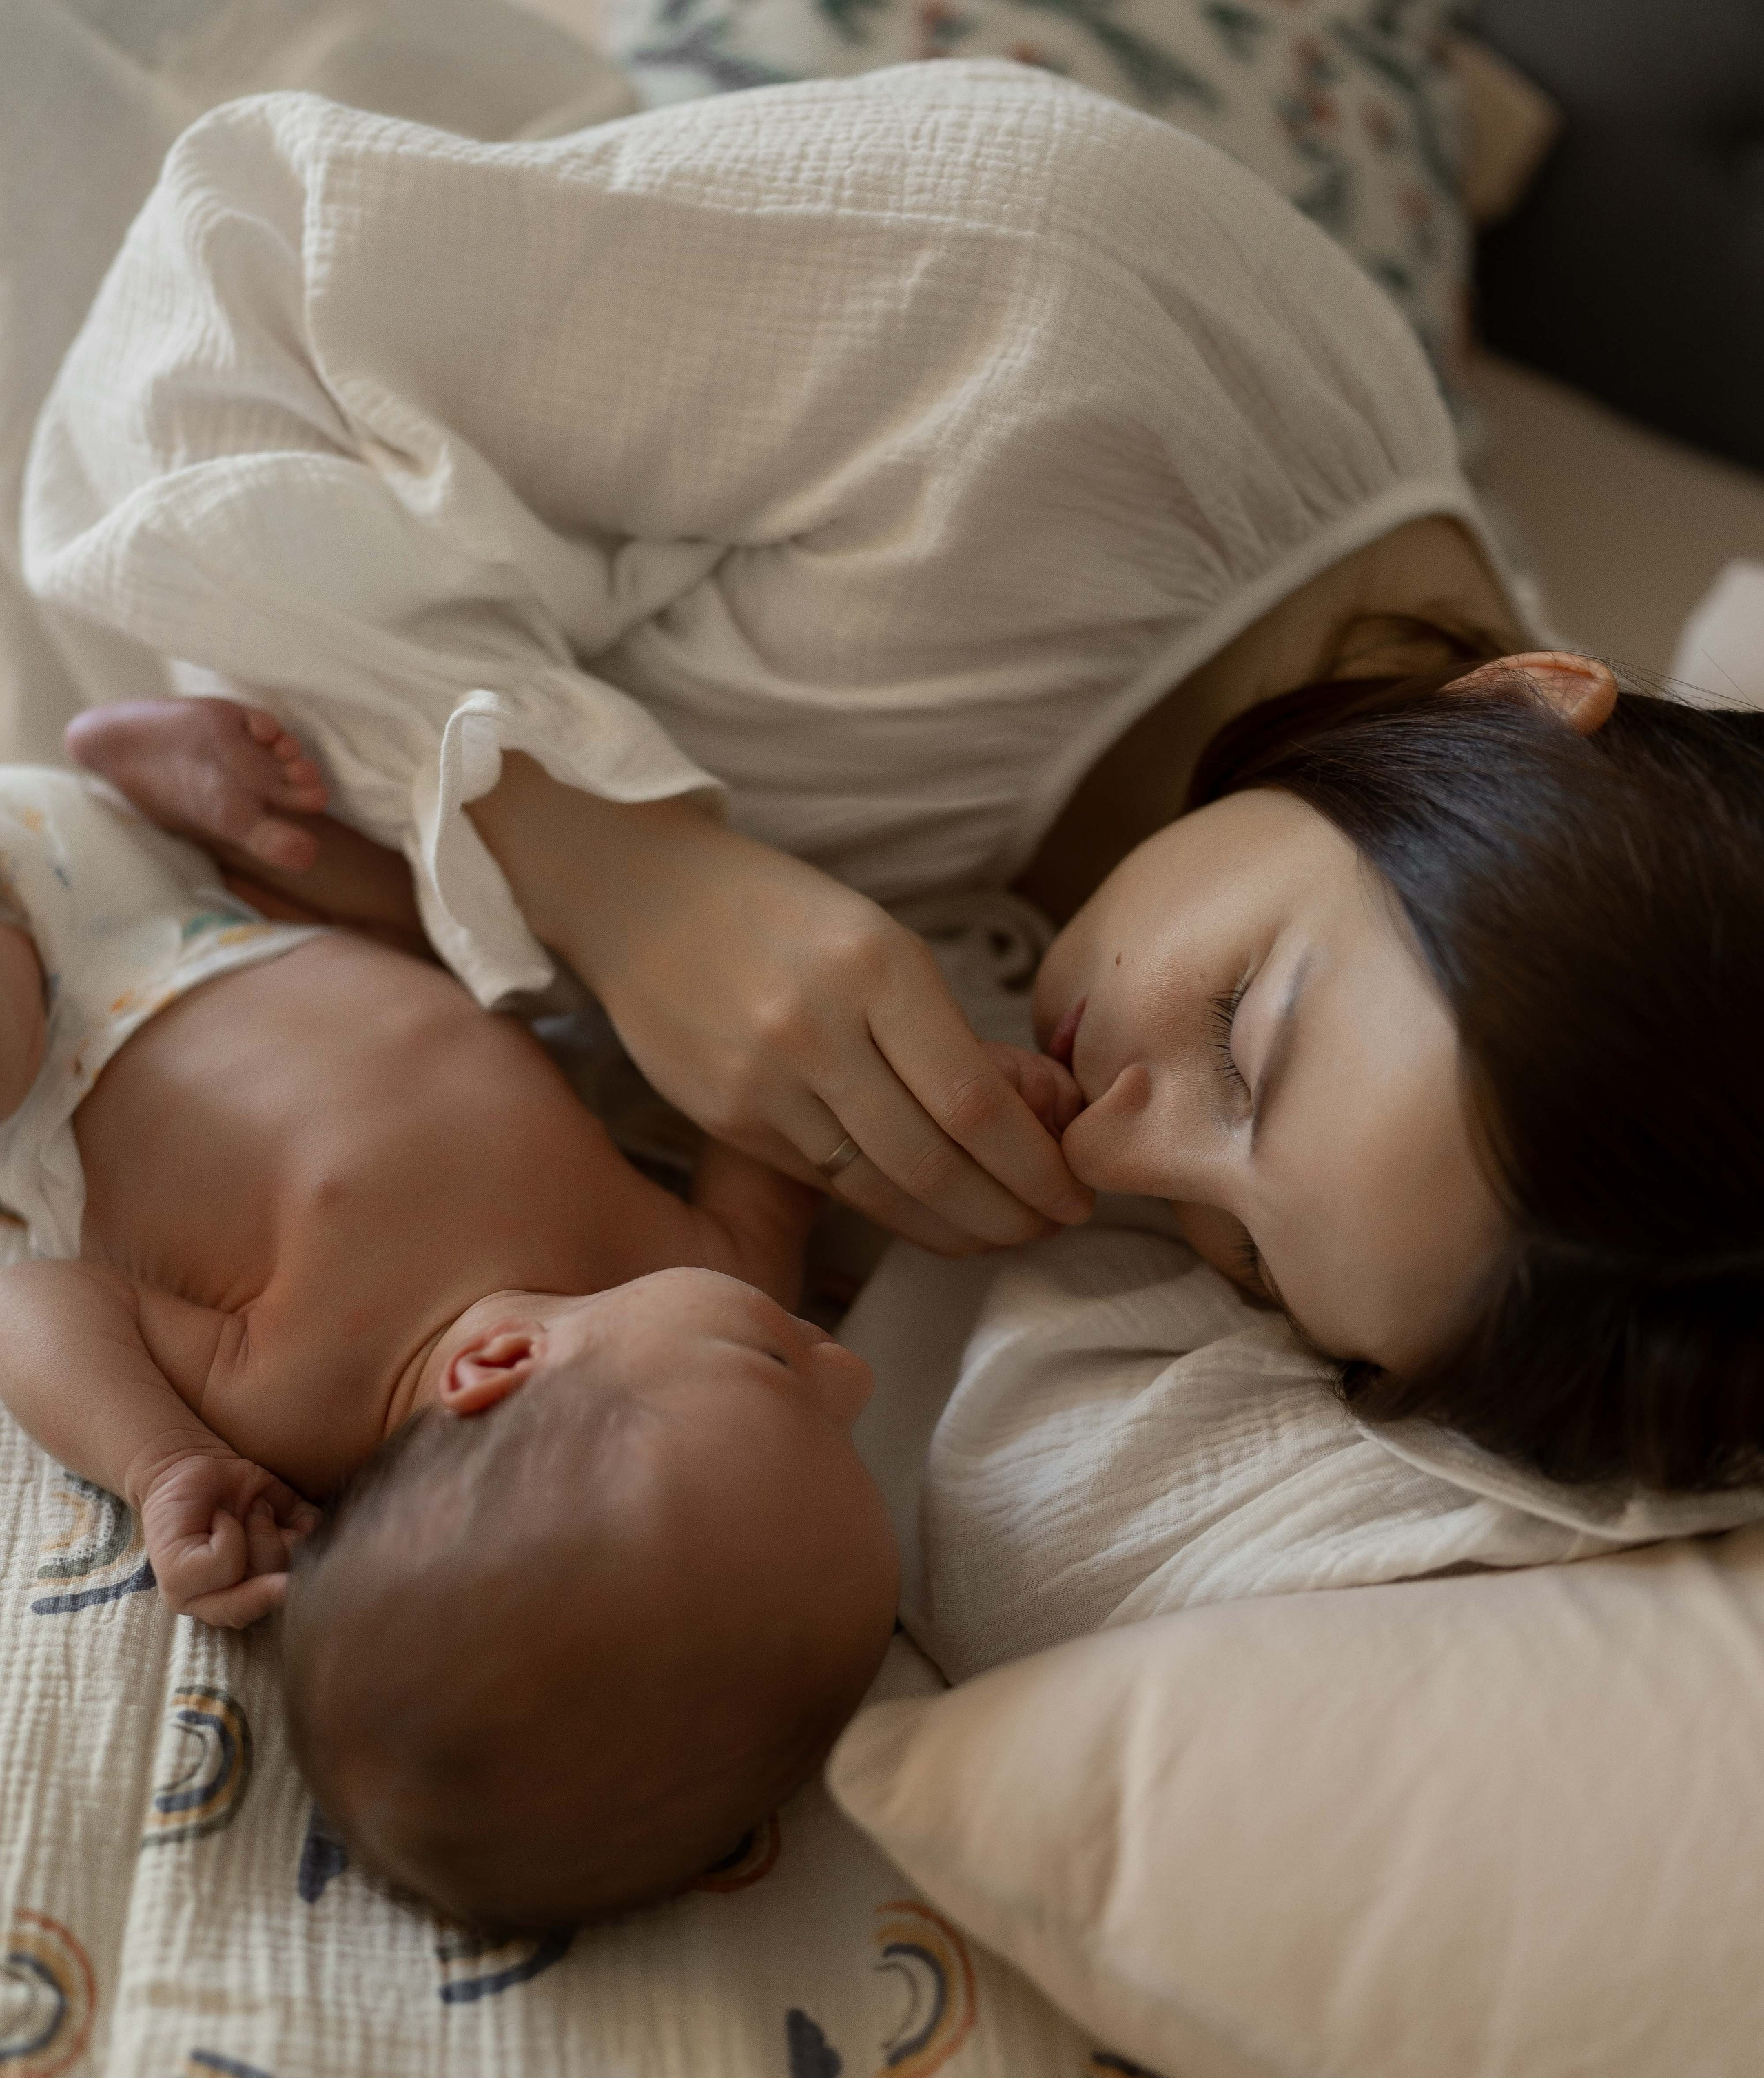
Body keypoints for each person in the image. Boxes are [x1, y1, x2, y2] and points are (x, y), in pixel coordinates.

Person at [26, 63, 1764, 1493]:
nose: (1120, 1154)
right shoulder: (1059, 336)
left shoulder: (1470, 1190)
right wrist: (611, 867)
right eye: (1243, 1034)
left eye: (1239, 1256)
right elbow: (209, 304)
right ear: (1521, 704)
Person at [0, 759, 1023, 1920]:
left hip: (54, 1054)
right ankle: (148, 753)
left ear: (497, 1370)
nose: (847, 1363)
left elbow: (35, 1303)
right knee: (341, 821)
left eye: (782, 1368)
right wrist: (956, 1105)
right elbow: (780, 1115)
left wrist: (162, 1459)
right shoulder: (719, 1264)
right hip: (253, 897)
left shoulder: (291, 1390)